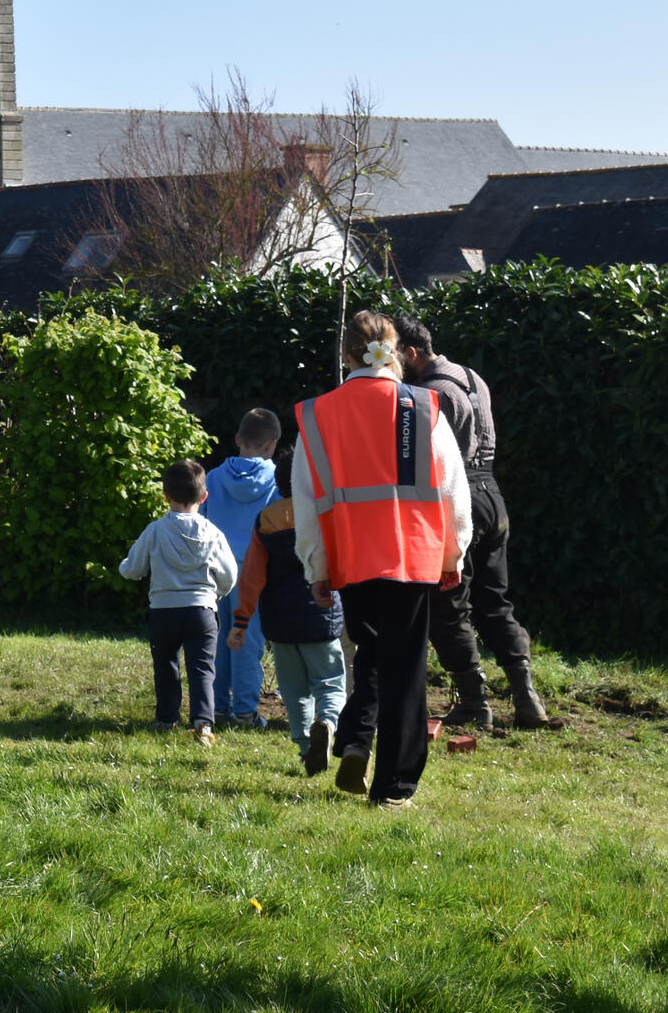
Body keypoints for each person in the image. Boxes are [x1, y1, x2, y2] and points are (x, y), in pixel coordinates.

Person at [293, 311, 471, 808]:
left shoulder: (317, 414)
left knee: (368, 654)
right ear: (396, 353)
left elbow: (307, 502)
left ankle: (354, 738)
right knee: (406, 669)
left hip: (351, 557)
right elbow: (453, 489)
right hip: (414, 556)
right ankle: (394, 787)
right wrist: (453, 552)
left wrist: (317, 567)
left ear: (346, 355)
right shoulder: (423, 406)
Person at [393, 315, 558, 731]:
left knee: (447, 604)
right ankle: (526, 696)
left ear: (411, 353)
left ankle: (473, 701)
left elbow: (430, 464)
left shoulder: (427, 394)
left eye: (396, 357)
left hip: (458, 498)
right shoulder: (471, 376)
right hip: (493, 497)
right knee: (494, 602)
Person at [228, 448, 347, 776]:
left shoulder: (266, 519)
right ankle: (328, 722)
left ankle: (306, 747)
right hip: (319, 616)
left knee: (294, 691)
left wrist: (241, 619)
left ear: (279, 481)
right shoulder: (325, 515)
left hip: (280, 623)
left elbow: (252, 575)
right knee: (330, 682)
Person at [119, 460, 239, 747]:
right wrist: (216, 595)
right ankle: (203, 723)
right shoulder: (212, 532)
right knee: (202, 668)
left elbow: (132, 569)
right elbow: (230, 575)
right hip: (202, 610)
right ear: (204, 496)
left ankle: (166, 719)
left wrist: (126, 566)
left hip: (163, 610)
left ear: (165, 495)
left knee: (165, 665)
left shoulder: (155, 530)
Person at [201, 409, 281, 729]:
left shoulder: (214, 477)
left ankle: (217, 706)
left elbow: (202, 521)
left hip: (217, 567)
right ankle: (245, 710)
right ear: (272, 445)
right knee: (247, 636)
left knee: (217, 636)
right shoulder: (276, 479)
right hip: (255, 569)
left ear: (237, 439)